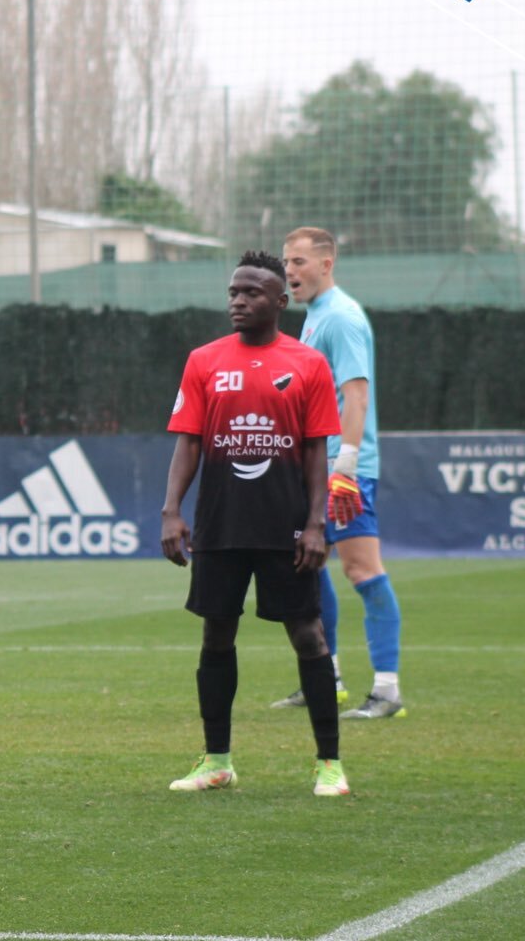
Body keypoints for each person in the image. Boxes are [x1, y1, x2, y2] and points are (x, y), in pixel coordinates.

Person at [162, 250, 350, 797]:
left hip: (284, 526)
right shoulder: (203, 360)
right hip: (220, 524)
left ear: (280, 302)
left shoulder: (308, 364)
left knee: (308, 635)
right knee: (216, 633)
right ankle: (217, 761)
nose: (238, 302)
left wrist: (315, 525)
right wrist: (171, 511)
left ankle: (330, 765)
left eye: (251, 293)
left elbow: (315, 452)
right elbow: (188, 442)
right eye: (233, 293)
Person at [272, 226, 406, 719]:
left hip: (343, 469)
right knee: (308, 564)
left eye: (299, 262)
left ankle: (387, 692)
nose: (289, 271)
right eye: (287, 262)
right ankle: (324, 677)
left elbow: (356, 396)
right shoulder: (315, 316)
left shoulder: (342, 317)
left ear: (326, 264)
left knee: (362, 570)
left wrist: (346, 466)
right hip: (318, 465)